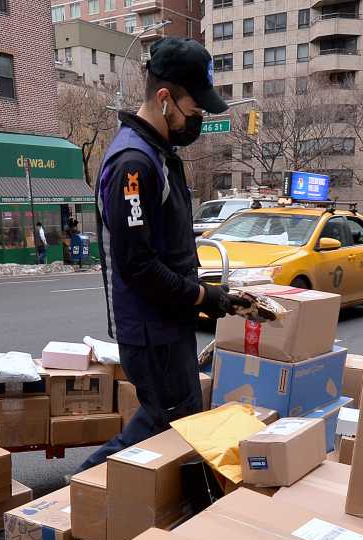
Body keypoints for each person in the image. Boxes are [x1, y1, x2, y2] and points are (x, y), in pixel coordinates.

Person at [79, 36, 238, 471]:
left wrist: (207, 292)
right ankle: (74, 497)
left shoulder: (159, 153)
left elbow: (168, 251)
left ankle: (146, 512)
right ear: (165, 99)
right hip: (151, 331)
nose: (197, 121)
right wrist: (204, 298)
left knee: (177, 424)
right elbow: (139, 265)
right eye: (194, 110)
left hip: (169, 322)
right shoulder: (135, 162)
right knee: (167, 424)